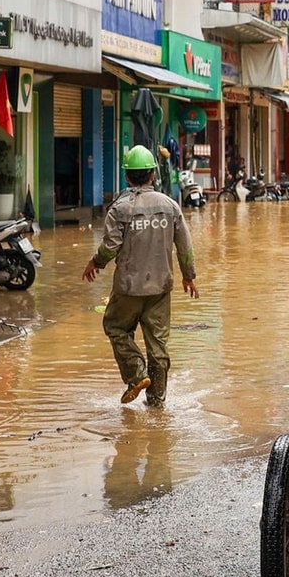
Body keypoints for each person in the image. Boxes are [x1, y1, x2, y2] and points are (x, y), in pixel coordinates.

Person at [83, 146, 197, 407]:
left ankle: (136, 375)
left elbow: (110, 247)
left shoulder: (120, 209)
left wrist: (95, 263)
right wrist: (189, 276)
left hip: (128, 288)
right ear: (153, 176)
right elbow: (185, 246)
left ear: (127, 177)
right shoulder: (170, 206)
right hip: (160, 288)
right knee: (158, 345)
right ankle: (156, 401)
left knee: (115, 327)